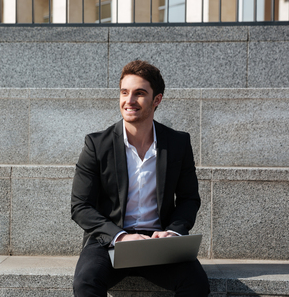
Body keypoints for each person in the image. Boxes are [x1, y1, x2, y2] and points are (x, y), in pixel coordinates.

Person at [71, 60, 210, 296]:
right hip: (110, 239)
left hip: (158, 242)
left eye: (140, 93)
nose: (129, 100)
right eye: (124, 92)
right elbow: (80, 206)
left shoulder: (178, 143)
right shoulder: (96, 144)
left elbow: (189, 199)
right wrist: (121, 236)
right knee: (86, 282)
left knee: (196, 283)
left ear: (157, 100)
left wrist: (173, 232)